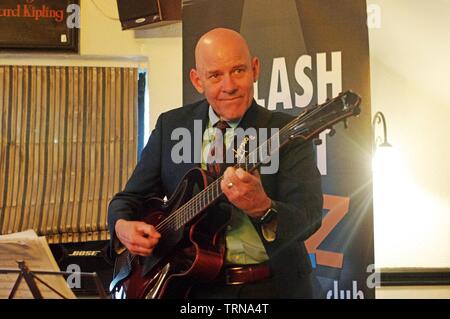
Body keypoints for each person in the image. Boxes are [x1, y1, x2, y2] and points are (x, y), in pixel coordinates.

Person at [108, 28, 323, 298]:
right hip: (188, 289)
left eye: (238, 71)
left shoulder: (286, 132)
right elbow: (129, 198)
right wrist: (122, 227)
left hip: (269, 288)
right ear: (198, 81)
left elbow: (310, 217)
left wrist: (263, 208)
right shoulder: (171, 126)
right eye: (215, 75)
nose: (229, 85)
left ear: (255, 69)